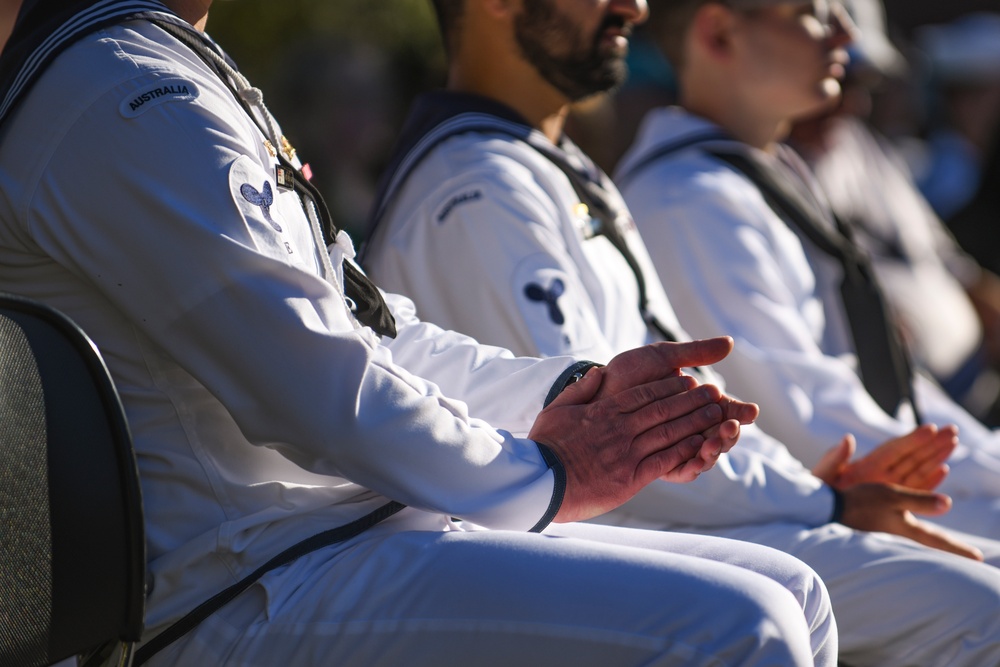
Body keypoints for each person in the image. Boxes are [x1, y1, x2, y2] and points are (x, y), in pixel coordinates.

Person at [0, 0, 841, 666]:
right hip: (238, 588)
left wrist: (571, 393)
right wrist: (551, 471)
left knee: (796, 591)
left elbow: (371, 331)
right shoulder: (119, 90)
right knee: (748, 626)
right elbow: (319, 393)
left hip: (336, 538)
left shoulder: (162, 62)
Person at [360, 0, 1000, 664]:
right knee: (980, 610)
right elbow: (614, 443)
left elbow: (679, 408)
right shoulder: (478, 183)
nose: (633, 6)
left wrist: (812, 488)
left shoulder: (544, 167)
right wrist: (826, 499)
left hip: (687, 510)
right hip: (598, 535)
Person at [616, 0, 1000, 551]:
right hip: (829, 507)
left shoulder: (763, 172)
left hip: (899, 475)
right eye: (811, 12)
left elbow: (889, 387)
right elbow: (807, 422)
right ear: (720, 34)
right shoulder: (689, 199)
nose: (843, 31)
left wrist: (986, 460)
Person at [788, 0, 1000, 426]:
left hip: (972, 391)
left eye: (865, 83)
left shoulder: (862, 146)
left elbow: (944, 259)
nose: (854, 103)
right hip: (899, 418)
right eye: (841, 80)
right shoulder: (762, 170)